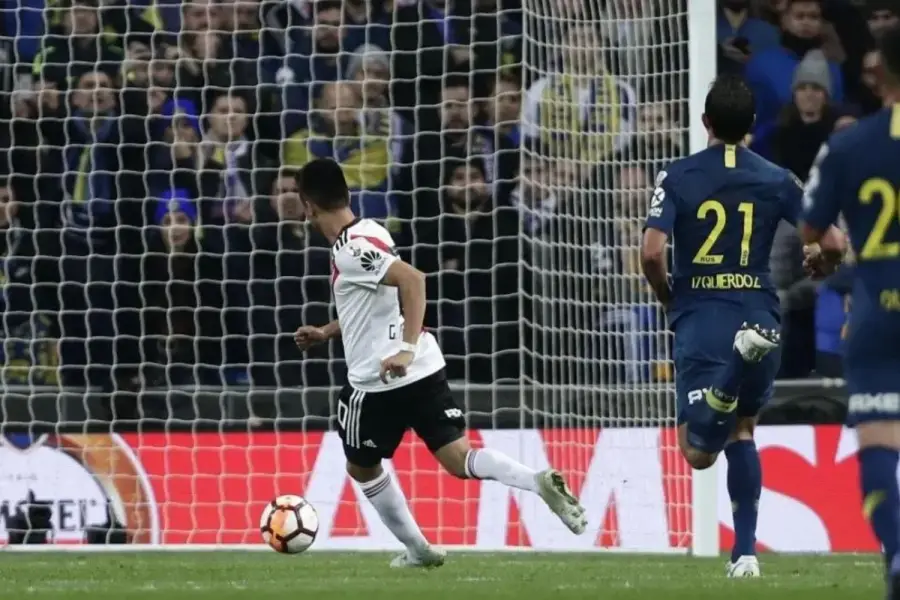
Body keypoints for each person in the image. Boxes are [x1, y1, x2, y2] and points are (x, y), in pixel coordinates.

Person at [292, 158, 586, 568]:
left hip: (378, 380)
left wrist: (405, 349)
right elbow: (372, 305)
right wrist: (327, 332)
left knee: (361, 467)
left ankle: (418, 549)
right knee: (459, 458)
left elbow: (414, 281)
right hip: (425, 368)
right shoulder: (371, 230)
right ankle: (535, 481)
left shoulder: (349, 250)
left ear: (308, 206)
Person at [640, 74, 842, 578]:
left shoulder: (677, 176)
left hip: (702, 314)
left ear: (704, 122)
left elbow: (650, 253)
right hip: (758, 309)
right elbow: (833, 242)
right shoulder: (777, 178)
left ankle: (730, 375)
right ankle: (745, 556)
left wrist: (668, 295)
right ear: (752, 125)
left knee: (697, 452)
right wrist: (823, 264)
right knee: (743, 432)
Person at [799, 24, 900, 600]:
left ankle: (896, 559)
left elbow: (813, 228)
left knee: (880, 444)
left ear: (878, 72)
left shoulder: (849, 144)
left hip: (877, 307)